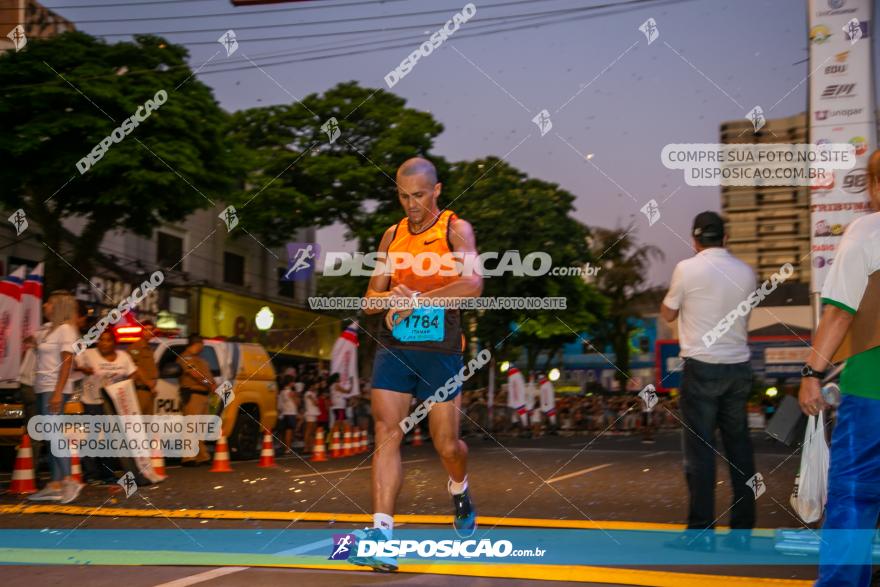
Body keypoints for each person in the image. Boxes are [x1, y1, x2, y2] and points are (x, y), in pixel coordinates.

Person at [348, 157, 482, 572]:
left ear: (437, 191)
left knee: (447, 445)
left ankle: (459, 487)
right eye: (404, 197)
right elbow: (370, 299)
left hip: (441, 347)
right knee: (387, 431)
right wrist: (391, 299)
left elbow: (473, 285)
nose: (412, 205)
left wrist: (419, 300)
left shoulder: (456, 230)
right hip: (396, 344)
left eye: (420, 196)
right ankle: (382, 536)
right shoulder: (392, 235)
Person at [799, 149, 880, 587]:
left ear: (874, 187)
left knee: (854, 492)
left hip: (873, 389)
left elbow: (839, 315)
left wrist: (812, 374)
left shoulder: (868, 231)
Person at [660, 211, 757, 551]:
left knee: (700, 453)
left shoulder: (687, 269)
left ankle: (701, 531)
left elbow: (668, 312)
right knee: (740, 450)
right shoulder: (746, 272)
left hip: (701, 367)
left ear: (695, 239)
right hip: (738, 367)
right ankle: (742, 531)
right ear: (725, 238)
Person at [28, 291, 83, 503]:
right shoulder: (48, 329)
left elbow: (67, 362)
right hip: (43, 386)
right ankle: (55, 483)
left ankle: (70, 480)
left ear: (59, 306)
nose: (45, 306)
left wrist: (58, 393)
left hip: (55, 388)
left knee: (53, 434)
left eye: (49, 303)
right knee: (50, 435)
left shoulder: (66, 330)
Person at [78, 330, 138, 484]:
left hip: (113, 404)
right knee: (93, 437)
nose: (104, 343)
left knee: (110, 439)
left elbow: (133, 374)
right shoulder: (89, 354)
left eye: (108, 340)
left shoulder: (123, 357)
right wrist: (84, 369)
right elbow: (75, 363)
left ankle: (108, 473)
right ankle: (91, 474)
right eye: (101, 340)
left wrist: (126, 387)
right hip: (92, 403)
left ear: (114, 343)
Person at [177, 334, 216, 466]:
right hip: (193, 395)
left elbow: (209, 377)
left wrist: (213, 384)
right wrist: (209, 383)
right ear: (196, 344)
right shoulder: (186, 357)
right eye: (201, 344)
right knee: (190, 427)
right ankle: (188, 457)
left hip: (204, 395)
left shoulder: (201, 360)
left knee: (201, 428)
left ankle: (202, 456)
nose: (202, 347)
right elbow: (196, 374)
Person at [129, 320, 158, 416]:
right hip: (140, 390)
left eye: (151, 330)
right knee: (139, 423)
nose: (148, 332)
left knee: (148, 423)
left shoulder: (149, 349)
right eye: (146, 330)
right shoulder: (136, 347)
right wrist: (149, 383)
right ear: (141, 331)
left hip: (149, 391)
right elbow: (135, 367)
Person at [276, 377, 299, 455]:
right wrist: (296, 396)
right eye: (293, 382)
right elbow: (296, 403)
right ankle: (288, 449)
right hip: (291, 413)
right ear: (290, 383)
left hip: (284, 413)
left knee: (285, 432)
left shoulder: (282, 392)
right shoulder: (290, 392)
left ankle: (285, 448)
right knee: (289, 432)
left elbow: (279, 405)